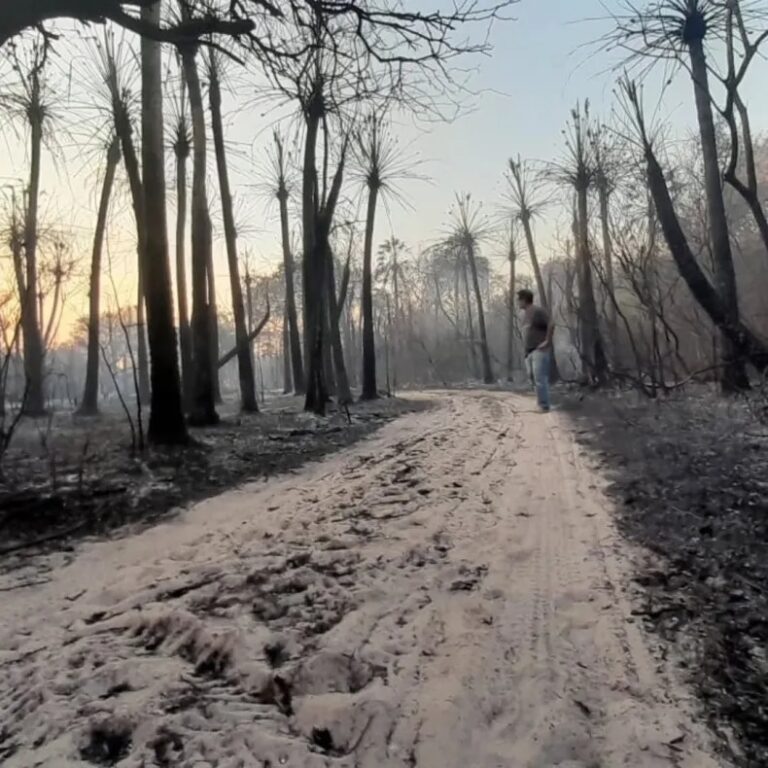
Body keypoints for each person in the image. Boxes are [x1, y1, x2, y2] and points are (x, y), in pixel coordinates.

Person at [517, 289, 554, 412]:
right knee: (533, 378)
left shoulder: (537, 311)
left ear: (524, 300)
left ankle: (544, 406)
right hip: (529, 351)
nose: (518, 302)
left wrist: (547, 341)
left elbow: (551, 323)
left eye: (519, 299)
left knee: (539, 378)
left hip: (540, 350)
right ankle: (541, 402)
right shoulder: (525, 314)